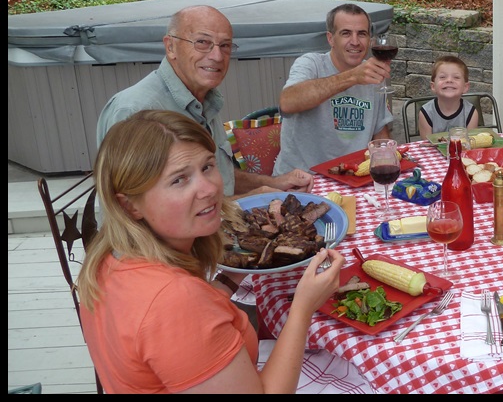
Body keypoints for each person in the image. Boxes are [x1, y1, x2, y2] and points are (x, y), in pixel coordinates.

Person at [77, 110, 347, 393]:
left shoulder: (108, 258)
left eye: (207, 166)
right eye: (179, 180)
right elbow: (180, 315)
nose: (209, 189)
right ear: (130, 205)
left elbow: (183, 333)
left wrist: (231, 277)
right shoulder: (174, 301)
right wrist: (303, 308)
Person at [95, 5, 313, 198]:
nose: (217, 56)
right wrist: (251, 199)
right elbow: (143, 216)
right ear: (170, 47)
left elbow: (222, 179)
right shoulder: (136, 112)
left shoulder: (204, 99)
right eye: (202, 42)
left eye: (225, 45)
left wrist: (274, 183)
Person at [273, 3, 394, 174]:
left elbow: (380, 134)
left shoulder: (371, 73)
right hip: (303, 178)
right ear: (330, 39)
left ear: (369, 39)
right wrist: (352, 77)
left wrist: (389, 164)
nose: (355, 42)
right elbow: (288, 102)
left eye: (362, 34)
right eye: (346, 33)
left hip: (352, 175)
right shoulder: (311, 64)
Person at [416, 55, 480, 139]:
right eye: (442, 77)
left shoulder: (471, 113)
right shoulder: (426, 113)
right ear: (433, 86)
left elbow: (470, 143)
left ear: (465, 87)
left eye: (456, 77)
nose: (449, 80)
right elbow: (427, 144)